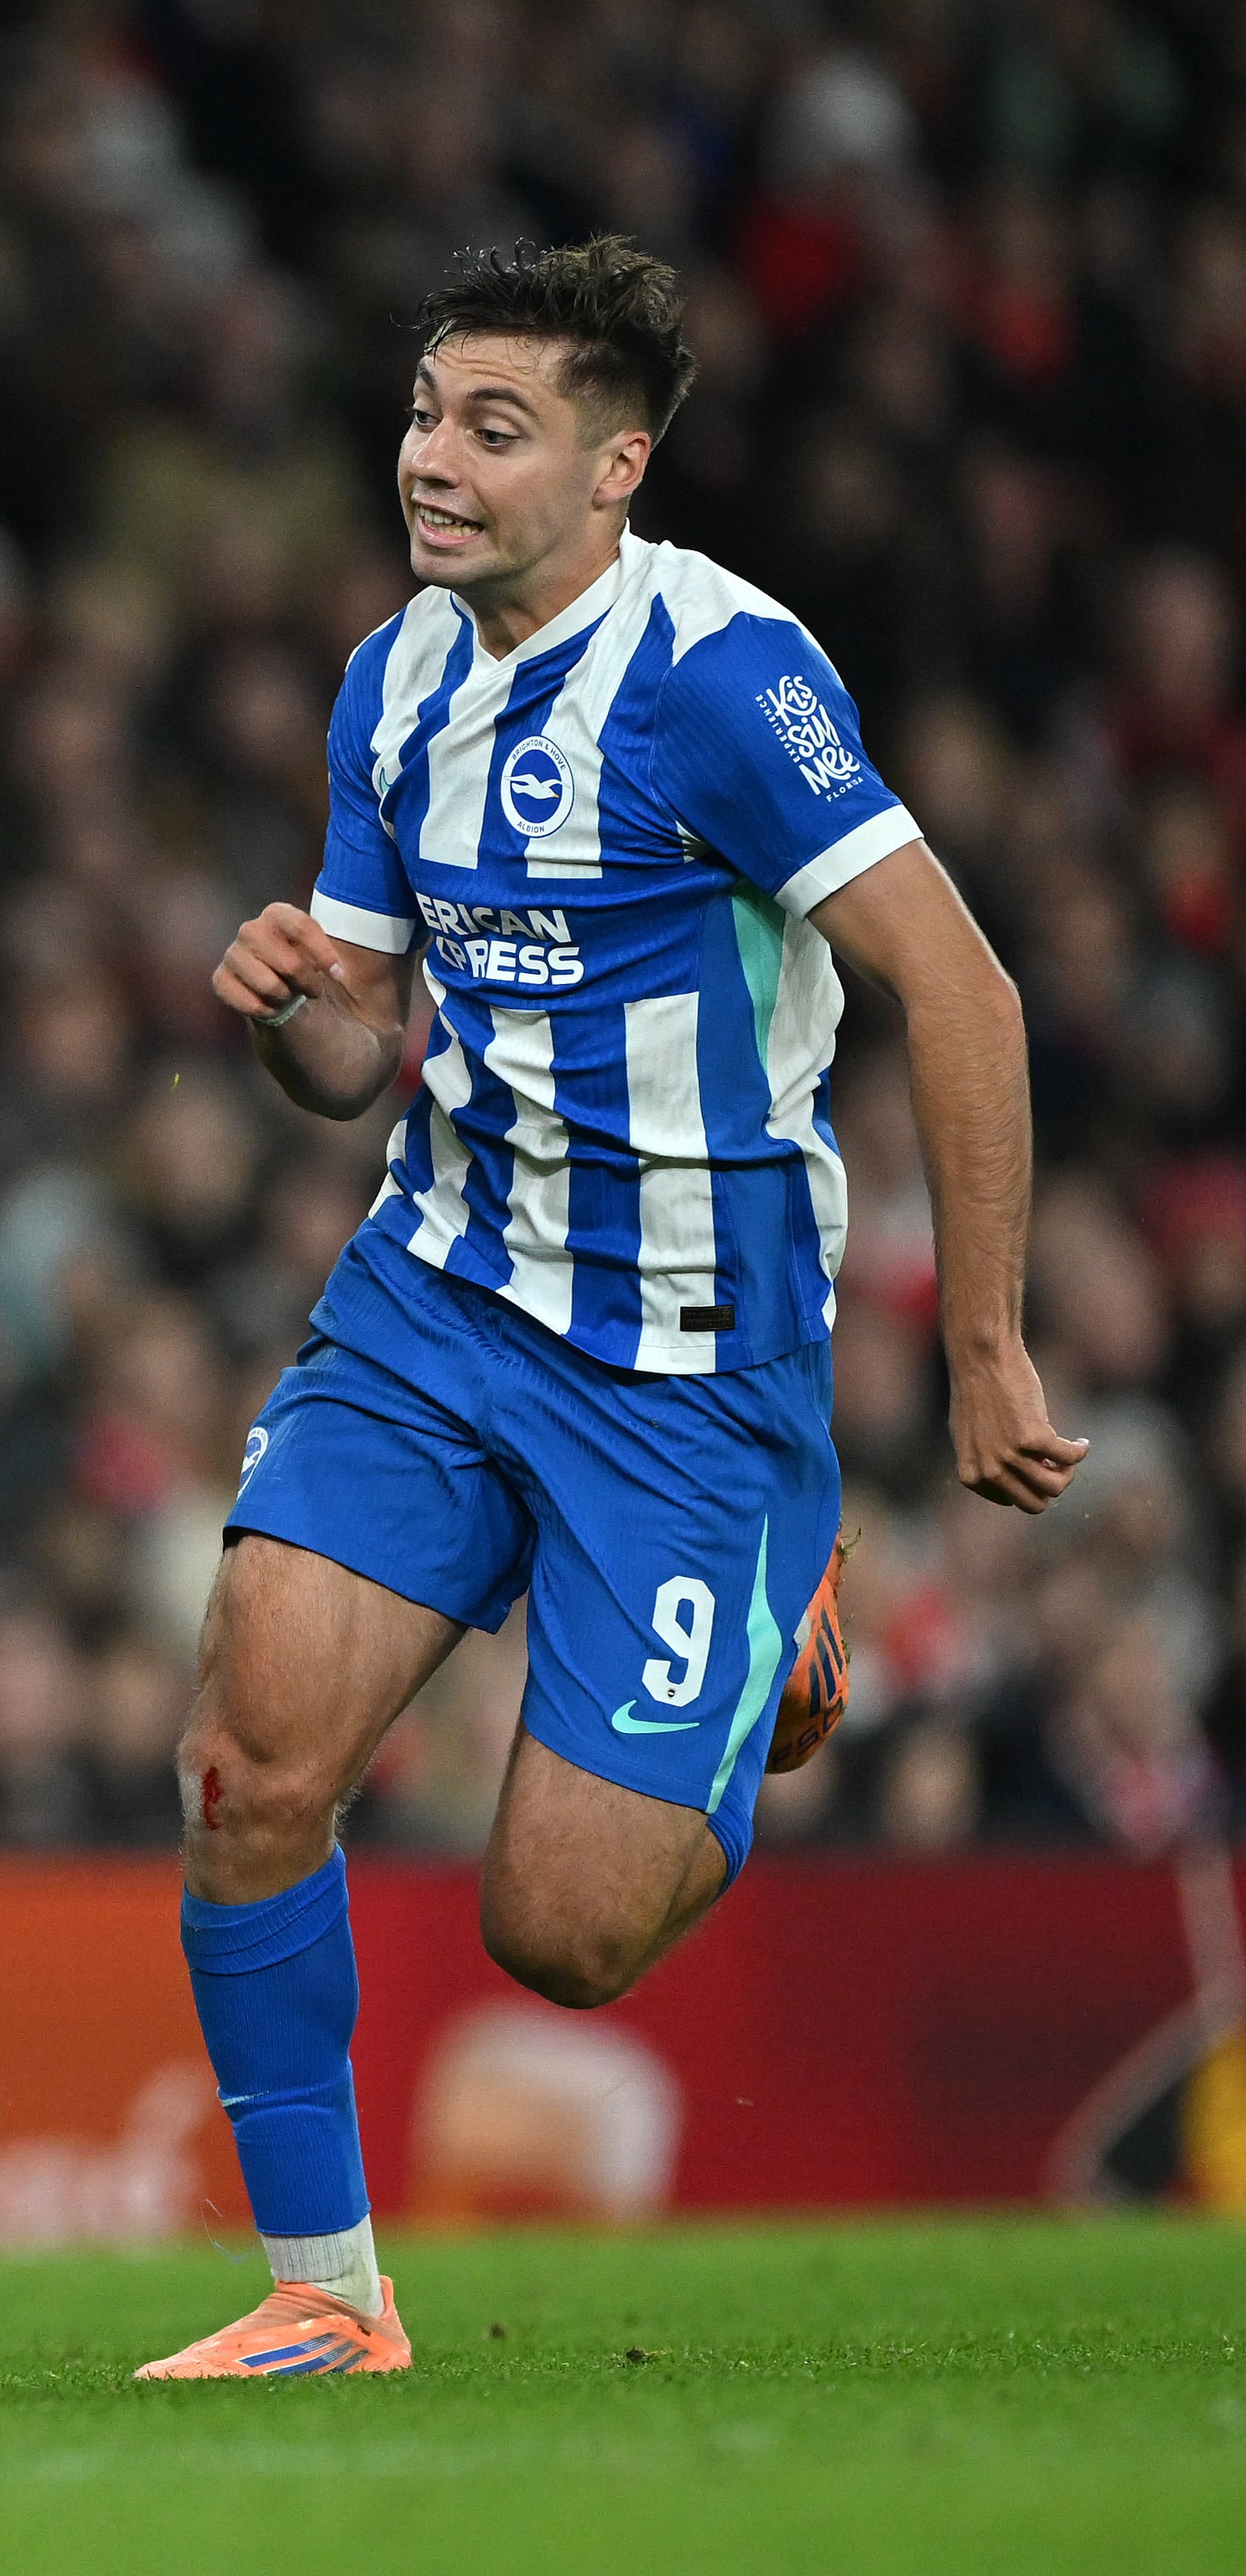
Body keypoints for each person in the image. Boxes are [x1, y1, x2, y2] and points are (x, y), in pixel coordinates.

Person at [147, 237, 1086, 2380]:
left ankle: (776, 1623)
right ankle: (324, 2294)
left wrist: (981, 1345)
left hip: (683, 1372)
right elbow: (361, 1050)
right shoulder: (391, 679)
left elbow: (962, 991)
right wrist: (296, 1012)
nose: (429, 459)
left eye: (491, 428)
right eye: (420, 412)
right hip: (436, 1296)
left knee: (558, 1940)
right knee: (241, 1761)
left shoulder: (721, 683)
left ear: (611, 467)